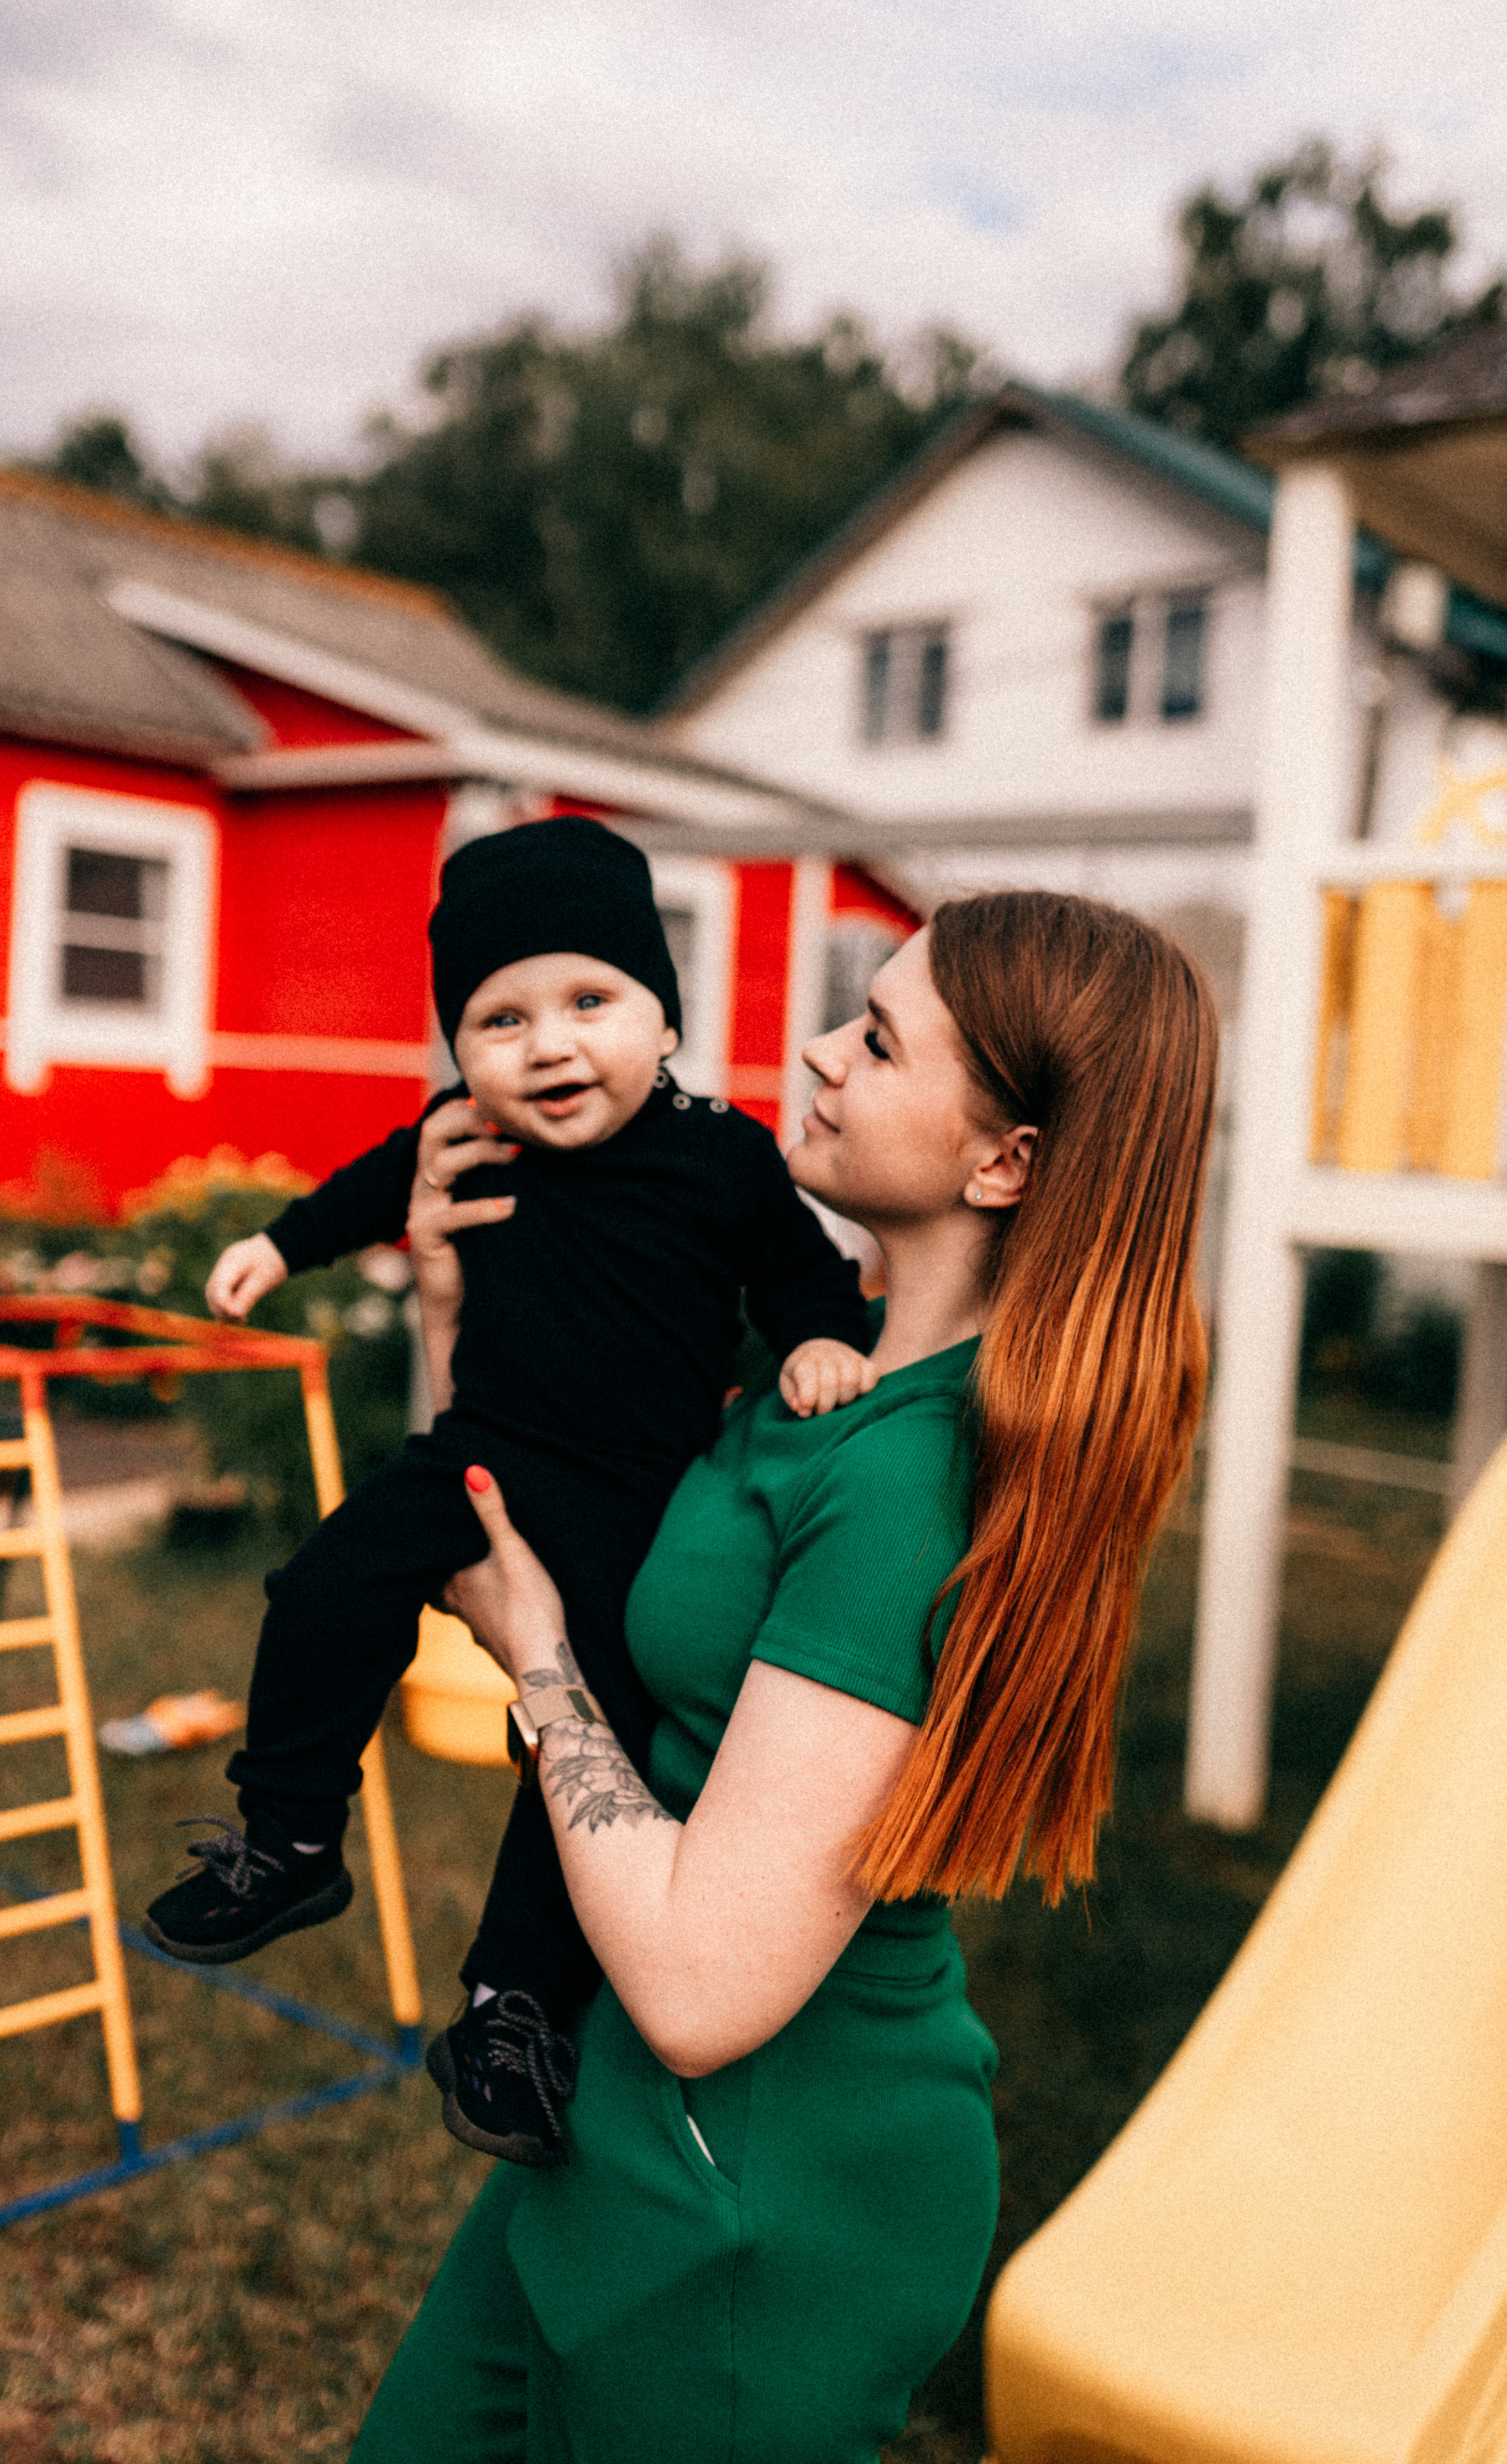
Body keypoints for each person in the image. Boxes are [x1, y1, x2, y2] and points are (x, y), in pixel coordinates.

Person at [352, 888, 1218, 2464]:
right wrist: (449, 1307)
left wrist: (539, 1661)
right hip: (613, 2118)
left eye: (875, 1042)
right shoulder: (830, 1367)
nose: (814, 1053)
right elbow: (545, 1492)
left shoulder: (905, 1485)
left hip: (752, 2196)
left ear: (1003, 1162)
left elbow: (701, 1990)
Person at [142, 817, 871, 2167]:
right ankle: (290, 1838)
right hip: (477, 1454)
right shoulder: (466, 1138)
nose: (547, 1046)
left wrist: (821, 1338)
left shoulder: (720, 1152)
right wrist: (277, 1244)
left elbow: (802, 1275)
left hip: (631, 1501)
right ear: (461, 1052)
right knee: (322, 1586)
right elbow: (368, 1190)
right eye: (500, 1019)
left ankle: (512, 2010)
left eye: (590, 1002)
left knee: (579, 1744)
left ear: (665, 1020)